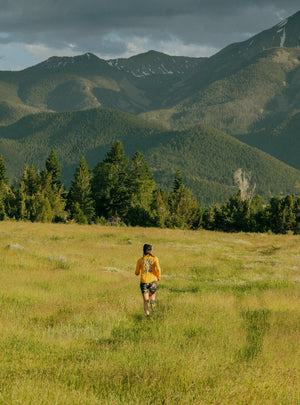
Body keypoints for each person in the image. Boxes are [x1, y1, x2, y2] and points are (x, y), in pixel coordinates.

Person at [135, 243, 161, 317]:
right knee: (152, 296)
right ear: (151, 250)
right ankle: (152, 301)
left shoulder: (140, 260)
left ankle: (148, 315)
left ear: (143, 250)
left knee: (145, 301)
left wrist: (140, 271)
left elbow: (136, 272)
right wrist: (158, 277)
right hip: (153, 280)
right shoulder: (155, 258)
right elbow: (158, 269)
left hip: (144, 282)